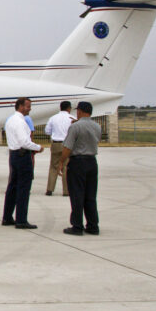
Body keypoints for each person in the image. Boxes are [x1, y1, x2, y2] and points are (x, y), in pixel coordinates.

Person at [59, 101, 102, 236]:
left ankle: (77, 225)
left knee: (77, 195)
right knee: (90, 195)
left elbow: (68, 147)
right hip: (91, 162)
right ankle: (93, 225)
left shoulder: (75, 127)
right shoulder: (97, 126)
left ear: (80, 111)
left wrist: (61, 162)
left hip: (78, 162)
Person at [2, 97, 44, 229]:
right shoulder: (20, 122)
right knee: (23, 188)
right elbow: (24, 142)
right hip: (22, 155)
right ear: (20, 106)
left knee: (12, 187)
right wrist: (38, 147)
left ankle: (7, 217)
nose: (30, 108)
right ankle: (21, 219)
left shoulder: (11, 120)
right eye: (28, 106)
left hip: (14, 155)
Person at [44, 101, 75, 196]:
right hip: (67, 144)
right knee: (66, 167)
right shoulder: (73, 118)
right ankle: (66, 191)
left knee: (53, 166)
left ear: (60, 108)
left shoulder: (53, 118)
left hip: (56, 144)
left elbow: (47, 131)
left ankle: (50, 189)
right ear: (69, 108)